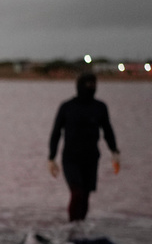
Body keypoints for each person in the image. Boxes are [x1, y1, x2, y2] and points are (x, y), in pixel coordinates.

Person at [48, 72, 120, 222]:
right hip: (70, 158)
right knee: (77, 192)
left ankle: (80, 227)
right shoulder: (67, 107)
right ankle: (72, 226)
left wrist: (114, 151)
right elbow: (56, 133)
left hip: (91, 157)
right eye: (87, 84)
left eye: (93, 84)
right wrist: (51, 158)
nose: (91, 87)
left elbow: (108, 130)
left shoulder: (100, 107)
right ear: (79, 86)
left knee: (86, 194)